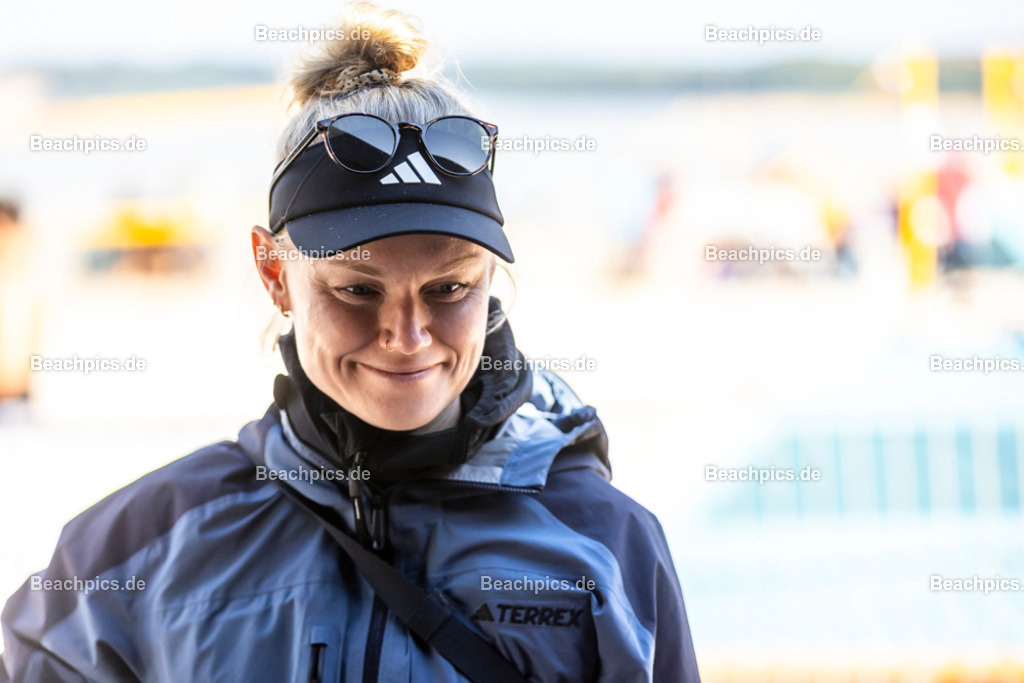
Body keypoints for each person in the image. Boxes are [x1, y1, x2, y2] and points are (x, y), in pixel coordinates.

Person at [0, 4, 700, 681]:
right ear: (274, 273)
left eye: (448, 288)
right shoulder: (137, 551)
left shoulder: (603, 546)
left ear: (489, 278)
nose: (407, 335)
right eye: (358, 291)